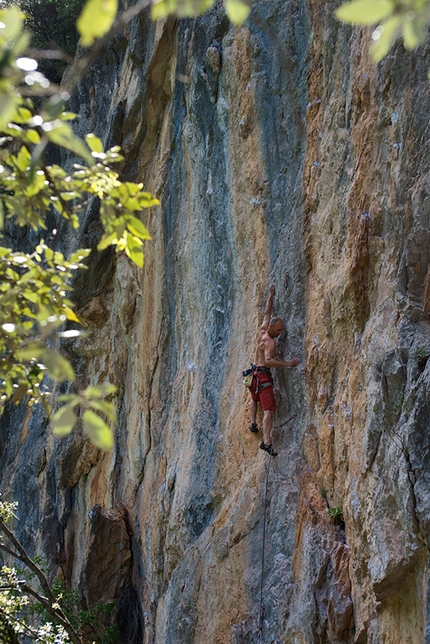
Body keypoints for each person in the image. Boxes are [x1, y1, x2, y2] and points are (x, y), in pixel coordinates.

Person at [248, 284, 299, 456]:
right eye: (279, 330)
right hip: (262, 376)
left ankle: (252, 423)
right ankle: (266, 441)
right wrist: (287, 364)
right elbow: (269, 361)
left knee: (254, 398)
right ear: (272, 328)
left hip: (252, 375)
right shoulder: (270, 342)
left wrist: (271, 296)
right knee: (269, 409)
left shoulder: (263, 329)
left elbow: (267, 313)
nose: (280, 333)